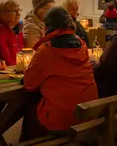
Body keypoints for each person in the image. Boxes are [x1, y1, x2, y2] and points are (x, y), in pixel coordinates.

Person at [22, 7, 98, 138]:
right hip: (87, 114)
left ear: (48, 26)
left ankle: (27, 143)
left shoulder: (46, 50)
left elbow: (29, 84)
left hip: (62, 121)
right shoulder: (82, 45)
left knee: (30, 103)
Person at [0, 0, 24, 67]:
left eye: (19, 10)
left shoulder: (17, 29)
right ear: (2, 14)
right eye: (14, 11)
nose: (18, 13)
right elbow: (6, 60)